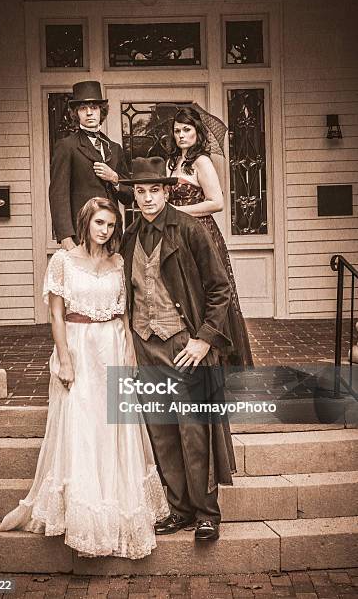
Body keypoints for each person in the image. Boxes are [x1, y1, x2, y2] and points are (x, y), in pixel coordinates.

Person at [0, 197, 169, 559]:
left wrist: (130, 358)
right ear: (85, 222)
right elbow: (57, 317)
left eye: (110, 225)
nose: (105, 231)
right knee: (82, 430)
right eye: (99, 223)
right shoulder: (63, 261)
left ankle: (116, 517)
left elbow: (123, 317)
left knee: (113, 430)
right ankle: (84, 525)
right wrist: (64, 359)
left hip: (112, 348)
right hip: (77, 349)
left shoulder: (118, 262)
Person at [119, 157, 236, 542]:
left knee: (192, 430)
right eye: (140, 191)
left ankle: (206, 514)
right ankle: (180, 510)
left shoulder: (189, 230)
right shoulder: (130, 234)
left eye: (154, 190)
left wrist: (203, 339)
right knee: (162, 431)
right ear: (133, 195)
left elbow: (220, 288)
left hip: (184, 344)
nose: (148, 198)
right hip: (145, 344)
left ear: (167, 191)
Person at [167, 106, 253, 368]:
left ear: (197, 133)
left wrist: (178, 211)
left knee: (210, 291)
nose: (181, 135)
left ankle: (221, 359)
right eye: (177, 131)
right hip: (179, 233)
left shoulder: (201, 161)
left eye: (187, 130)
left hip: (202, 232)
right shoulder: (174, 162)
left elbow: (217, 202)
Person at [49, 81, 132, 251]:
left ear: (102, 111)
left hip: (112, 234)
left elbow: (129, 196)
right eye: (83, 108)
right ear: (76, 114)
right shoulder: (67, 146)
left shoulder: (114, 148)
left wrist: (114, 178)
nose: (89, 113)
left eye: (93, 107)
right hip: (82, 233)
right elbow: (58, 193)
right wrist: (65, 237)